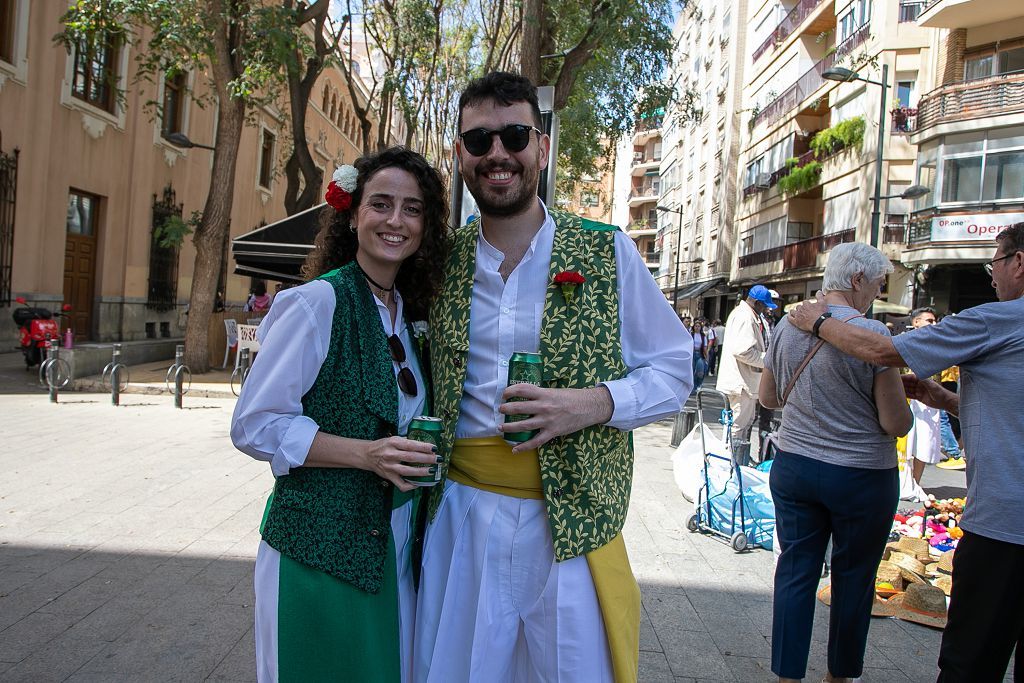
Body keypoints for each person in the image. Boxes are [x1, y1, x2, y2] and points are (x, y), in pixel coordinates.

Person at [414, 71, 693, 683]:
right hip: (464, 521)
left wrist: (592, 404)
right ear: (459, 155)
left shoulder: (607, 250)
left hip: (573, 526)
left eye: (514, 135)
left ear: (540, 146)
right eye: (478, 141)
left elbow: (675, 370)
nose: (498, 155)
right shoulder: (438, 262)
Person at [230, 148, 450, 682]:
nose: (396, 221)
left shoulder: (411, 315)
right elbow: (255, 423)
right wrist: (366, 455)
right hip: (317, 549)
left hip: (390, 544)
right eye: (381, 204)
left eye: (412, 209)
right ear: (353, 215)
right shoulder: (315, 304)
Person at [788, 223, 1024, 683]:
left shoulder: (998, 319)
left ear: (1018, 262)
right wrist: (951, 401)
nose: (990, 274)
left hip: (1004, 529)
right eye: (878, 285)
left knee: (971, 660)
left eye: (993, 262)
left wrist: (816, 322)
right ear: (859, 281)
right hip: (988, 519)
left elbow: (881, 352)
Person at [758, 243, 912, 683]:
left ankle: (788, 676)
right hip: (861, 475)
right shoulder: (872, 335)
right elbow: (896, 422)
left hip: (795, 465)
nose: (878, 294)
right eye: (878, 284)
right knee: (854, 578)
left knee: (795, 571)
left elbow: (768, 397)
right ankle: (838, 677)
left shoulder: (789, 325)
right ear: (858, 281)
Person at [717, 284, 774, 463]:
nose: (766, 309)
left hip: (741, 382)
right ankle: (729, 463)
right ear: (756, 303)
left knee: (739, 425)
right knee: (737, 428)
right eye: (764, 306)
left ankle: (731, 462)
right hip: (741, 383)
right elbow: (742, 350)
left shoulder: (746, 314)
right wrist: (766, 359)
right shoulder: (745, 317)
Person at [904, 307, 943, 489]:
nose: (933, 324)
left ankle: (915, 483)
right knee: (907, 442)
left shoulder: (939, 343)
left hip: (930, 400)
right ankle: (904, 483)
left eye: (934, 321)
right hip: (908, 399)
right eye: (929, 320)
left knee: (926, 442)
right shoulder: (903, 341)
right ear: (916, 322)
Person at [692, 318, 710, 389]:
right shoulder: (691, 335)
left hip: (700, 354)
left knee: (700, 371)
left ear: (701, 327)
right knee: (692, 371)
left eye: (698, 326)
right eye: (696, 326)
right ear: (694, 327)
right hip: (692, 354)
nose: (697, 327)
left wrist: (707, 357)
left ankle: (698, 385)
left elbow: (705, 347)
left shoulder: (703, 336)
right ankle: (693, 387)